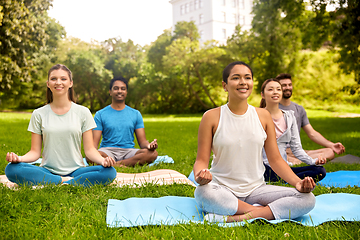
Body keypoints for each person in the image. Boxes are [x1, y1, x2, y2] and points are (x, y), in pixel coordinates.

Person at [193, 61, 316, 223]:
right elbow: (201, 160)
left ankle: (233, 218)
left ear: (252, 83)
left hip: (257, 190)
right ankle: (260, 212)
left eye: (247, 78)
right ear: (225, 85)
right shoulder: (211, 117)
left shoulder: (263, 116)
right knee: (203, 193)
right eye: (236, 78)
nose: (243, 82)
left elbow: (276, 160)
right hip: (221, 188)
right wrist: (200, 175)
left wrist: (298, 183)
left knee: (308, 199)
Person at [5, 64, 117, 187]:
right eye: (54, 79)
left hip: (77, 170)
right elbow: (35, 152)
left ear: (71, 83)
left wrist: (103, 161)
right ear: (48, 84)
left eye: (63, 79)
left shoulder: (83, 112)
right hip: (48, 170)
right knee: (11, 169)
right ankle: (64, 182)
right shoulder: (38, 114)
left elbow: (90, 150)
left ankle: (56, 181)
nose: (58, 82)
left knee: (110, 172)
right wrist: (19, 159)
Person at [260, 78, 327, 182]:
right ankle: (287, 179)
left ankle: (285, 178)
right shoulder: (257, 115)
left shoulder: (290, 116)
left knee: (319, 171)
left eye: (278, 89)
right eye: (270, 89)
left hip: (283, 167)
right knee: (268, 171)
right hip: (262, 167)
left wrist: (313, 161)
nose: (275, 92)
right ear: (263, 95)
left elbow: (296, 148)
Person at [277, 73, 345, 164]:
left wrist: (332, 145)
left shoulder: (299, 109)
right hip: (279, 151)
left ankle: (297, 161)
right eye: (284, 85)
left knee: (329, 152)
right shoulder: (273, 108)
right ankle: (296, 161)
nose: (288, 87)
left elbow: (312, 133)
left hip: (297, 151)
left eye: (289, 85)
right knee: (279, 156)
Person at [92, 76, 158, 167]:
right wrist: (92, 155)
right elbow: (94, 144)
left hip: (129, 152)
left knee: (153, 154)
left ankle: (115, 165)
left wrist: (149, 146)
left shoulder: (136, 114)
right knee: (91, 156)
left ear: (126, 92)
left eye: (123, 89)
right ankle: (123, 164)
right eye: (116, 88)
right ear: (110, 92)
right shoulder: (100, 114)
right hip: (107, 152)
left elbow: (143, 142)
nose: (119, 91)